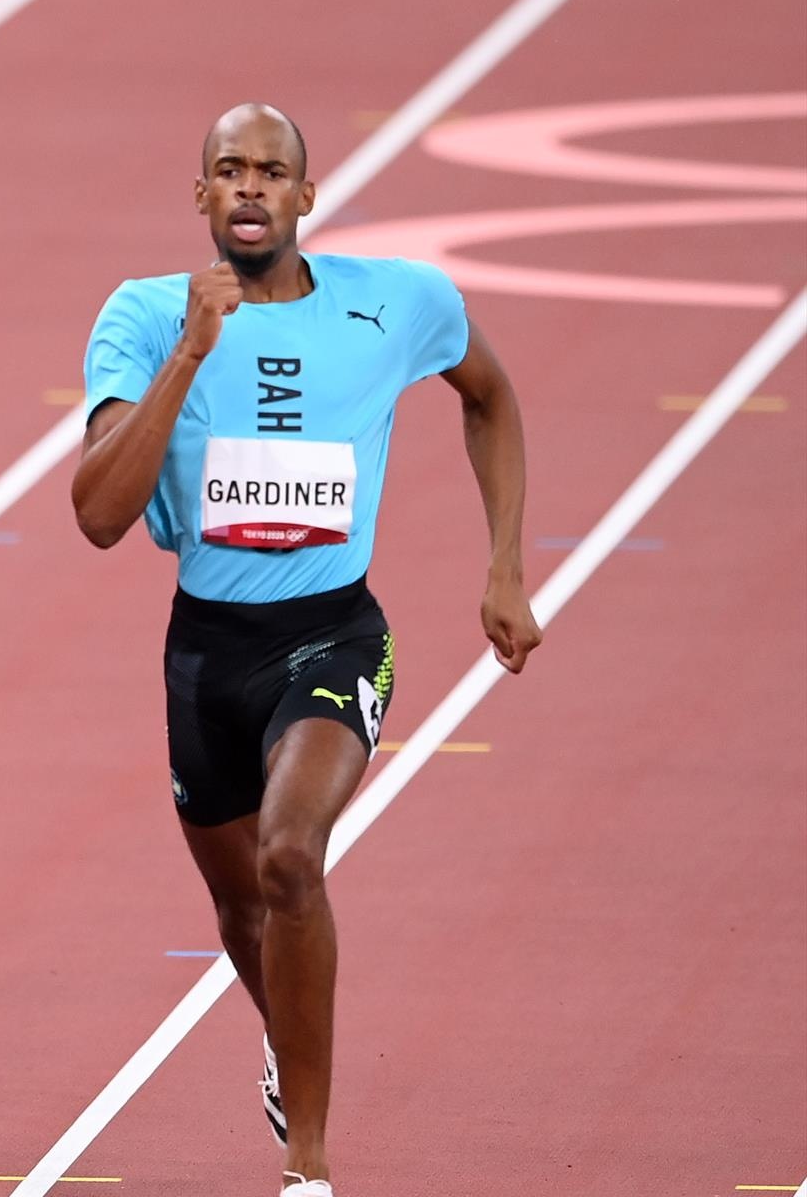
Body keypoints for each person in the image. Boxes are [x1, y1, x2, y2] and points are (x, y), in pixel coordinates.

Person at [70, 103, 542, 1196]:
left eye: (269, 171)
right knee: (241, 907)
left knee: (290, 854)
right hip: (204, 654)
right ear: (199, 197)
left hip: (333, 633)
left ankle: (308, 1169)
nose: (248, 188)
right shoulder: (142, 318)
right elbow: (97, 514)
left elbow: (490, 396)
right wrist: (192, 352)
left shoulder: (397, 302)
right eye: (227, 171)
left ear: (304, 196)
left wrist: (505, 565)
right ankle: (287, 1040)